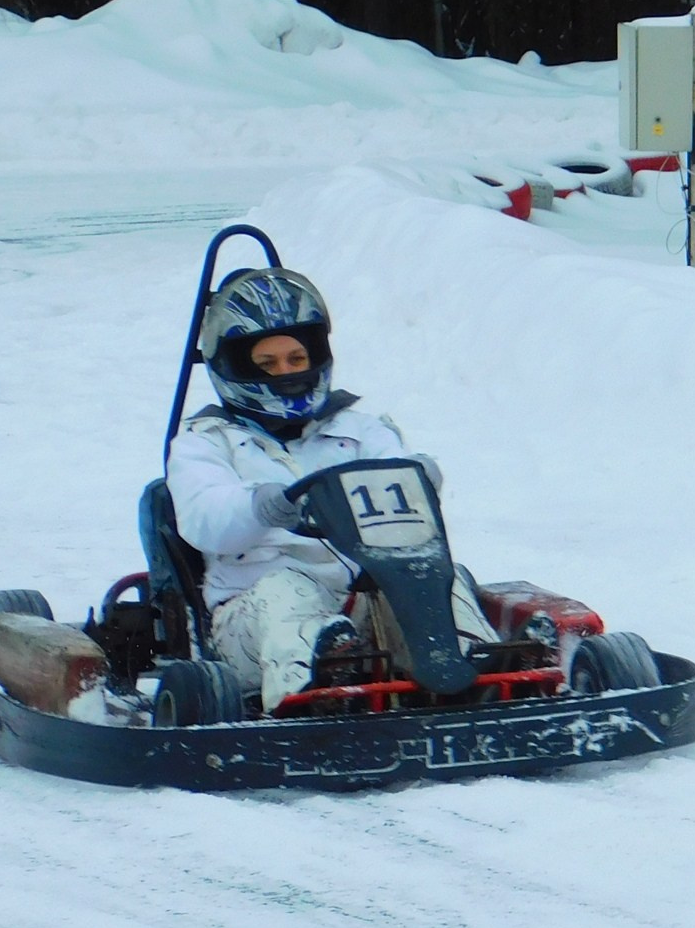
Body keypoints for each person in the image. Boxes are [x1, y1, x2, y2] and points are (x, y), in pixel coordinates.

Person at [165, 266, 489, 707]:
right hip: (250, 620)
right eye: (267, 363)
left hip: (361, 604)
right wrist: (256, 507)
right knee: (288, 589)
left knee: (433, 580)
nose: (286, 372)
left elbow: (396, 478)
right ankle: (321, 690)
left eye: (296, 359)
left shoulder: (359, 429)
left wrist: (421, 474)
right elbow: (203, 520)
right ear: (234, 367)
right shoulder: (205, 443)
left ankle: (479, 672)